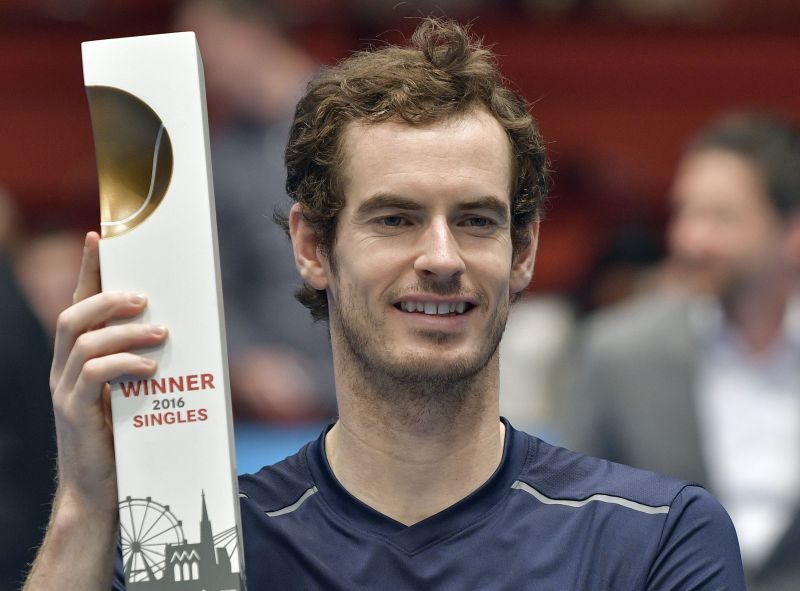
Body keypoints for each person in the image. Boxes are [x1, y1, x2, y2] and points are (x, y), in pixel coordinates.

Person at [24, 18, 744, 590]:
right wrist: (84, 506)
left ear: (523, 250)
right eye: (395, 219)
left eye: (477, 220)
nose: (442, 258)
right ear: (312, 245)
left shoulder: (653, 538)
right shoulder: (206, 547)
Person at [567, 113, 800, 591]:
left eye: (721, 217)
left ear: (792, 231)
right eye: (685, 212)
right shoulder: (617, 354)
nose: (688, 239)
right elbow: (572, 529)